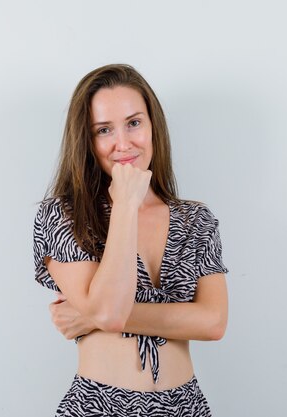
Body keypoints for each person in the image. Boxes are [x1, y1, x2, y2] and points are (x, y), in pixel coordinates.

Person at [32, 64, 229, 416]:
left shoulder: (196, 219)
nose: (123, 143)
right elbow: (109, 311)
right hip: (100, 404)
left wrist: (89, 316)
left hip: (186, 405)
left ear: (153, 125)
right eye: (104, 130)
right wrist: (125, 204)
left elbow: (213, 323)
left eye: (134, 122)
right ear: (87, 141)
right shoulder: (64, 216)